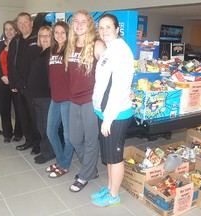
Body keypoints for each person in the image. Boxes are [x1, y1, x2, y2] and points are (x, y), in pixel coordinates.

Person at [91, 14, 134, 207]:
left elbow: (118, 88)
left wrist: (108, 119)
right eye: (101, 27)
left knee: (115, 157)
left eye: (109, 26)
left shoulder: (121, 51)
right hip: (106, 112)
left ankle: (114, 195)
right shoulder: (110, 50)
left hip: (115, 115)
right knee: (108, 156)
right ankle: (109, 188)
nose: (105, 30)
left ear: (117, 29)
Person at [65, 10, 106, 192]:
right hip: (74, 100)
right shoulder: (71, 44)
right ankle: (91, 169)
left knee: (90, 140)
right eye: (76, 21)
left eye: (83, 21)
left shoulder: (97, 45)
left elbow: (110, 72)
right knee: (74, 139)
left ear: (89, 24)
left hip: (91, 100)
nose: (79, 24)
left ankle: (84, 176)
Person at [7, 12, 40, 155]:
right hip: (19, 86)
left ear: (31, 23)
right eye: (20, 23)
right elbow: (10, 63)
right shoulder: (15, 41)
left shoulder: (38, 39)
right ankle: (29, 141)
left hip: (34, 87)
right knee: (23, 115)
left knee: (35, 116)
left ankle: (38, 143)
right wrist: (12, 83)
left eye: (25, 22)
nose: (22, 25)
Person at [46, 21, 74, 176]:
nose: (59, 35)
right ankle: (62, 160)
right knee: (50, 131)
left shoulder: (70, 51)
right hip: (55, 97)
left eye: (62, 32)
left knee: (68, 136)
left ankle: (64, 165)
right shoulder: (53, 50)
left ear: (68, 33)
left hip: (68, 99)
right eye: (56, 32)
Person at [27, 26, 55, 164]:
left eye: (48, 35)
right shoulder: (41, 52)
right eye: (42, 36)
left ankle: (49, 153)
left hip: (46, 97)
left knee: (46, 128)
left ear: (53, 37)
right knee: (41, 126)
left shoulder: (52, 54)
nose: (44, 38)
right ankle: (46, 150)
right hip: (37, 96)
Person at [0, 21, 23, 143]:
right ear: (4, 31)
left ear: (16, 30)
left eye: (11, 29)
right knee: (4, 108)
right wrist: (2, 76)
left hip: (15, 82)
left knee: (18, 108)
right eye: (6, 29)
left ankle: (19, 133)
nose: (9, 32)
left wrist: (13, 79)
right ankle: (7, 133)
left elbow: (20, 65)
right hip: (1, 81)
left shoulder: (20, 44)